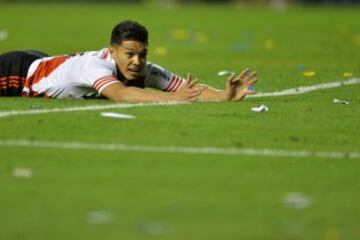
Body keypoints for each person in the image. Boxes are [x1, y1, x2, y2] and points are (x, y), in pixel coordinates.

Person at [0, 20, 257, 102]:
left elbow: (186, 90)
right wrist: (173, 100)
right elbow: (120, 94)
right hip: (21, 73)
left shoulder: (145, 69)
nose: (137, 61)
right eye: (129, 54)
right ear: (112, 52)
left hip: (44, 61)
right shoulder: (97, 67)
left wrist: (224, 95)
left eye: (142, 54)